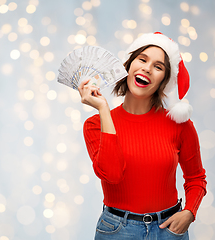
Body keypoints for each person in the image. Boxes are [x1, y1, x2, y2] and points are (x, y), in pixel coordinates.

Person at [78, 32, 207, 239]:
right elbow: (112, 174)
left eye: (158, 67)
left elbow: (196, 178)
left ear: (163, 80)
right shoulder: (94, 125)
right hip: (117, 230)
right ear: (128, 66)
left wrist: (189, 212)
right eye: (142, 59)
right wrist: (103, 109)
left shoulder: (180, 125)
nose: (147, 68)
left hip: (168, 230)